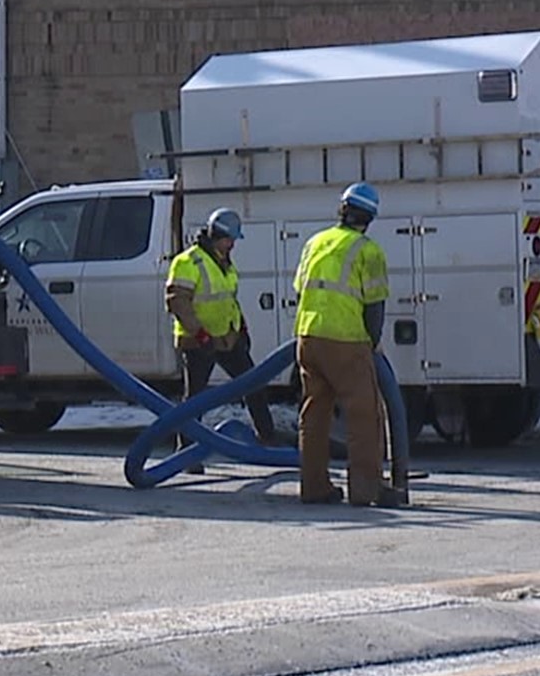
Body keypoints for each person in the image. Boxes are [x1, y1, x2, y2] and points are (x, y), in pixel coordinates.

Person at [292, 183, 402, 508]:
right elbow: (374, 307)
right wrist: (374, 342)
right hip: (346, 340)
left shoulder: (315, 242)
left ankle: (313, 488)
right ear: (369, 217)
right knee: (364, 415)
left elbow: (301, 292)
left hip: (308, 338)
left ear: (342, 209)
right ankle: (367, 490)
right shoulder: (369, 251)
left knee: (314, 414)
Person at [164, 208, 281, 471]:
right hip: (199, 341)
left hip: (227, 338)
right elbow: (177, 303)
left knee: (254, 383)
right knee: (195, 398)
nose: (233, 245)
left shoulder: (223, 261)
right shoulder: (188, 262)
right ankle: (187, 453)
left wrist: (241, 327)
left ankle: (268, 439)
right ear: (217, 236)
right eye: (230, 240)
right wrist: (199, 333)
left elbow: (227, 298)